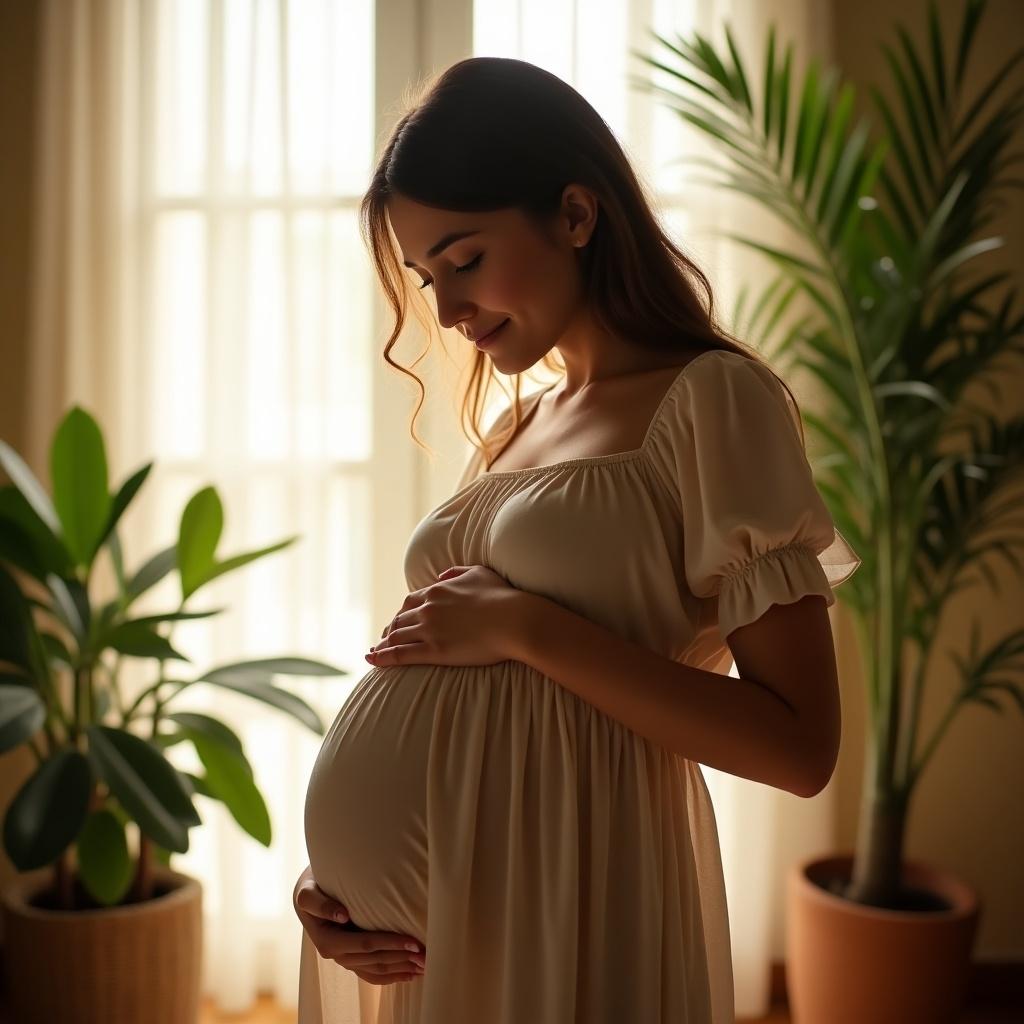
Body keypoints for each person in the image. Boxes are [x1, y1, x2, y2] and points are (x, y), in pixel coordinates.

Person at [294, 56, 861, 1023]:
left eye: (464, 260)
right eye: (427, 276)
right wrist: (333, 881)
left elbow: (801, 748)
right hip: (438, 930)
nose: (445, 310)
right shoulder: (517, 426)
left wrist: (525, 627)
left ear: (575, 214)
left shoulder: (713, 402)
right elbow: (447, 688)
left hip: (572, 892)